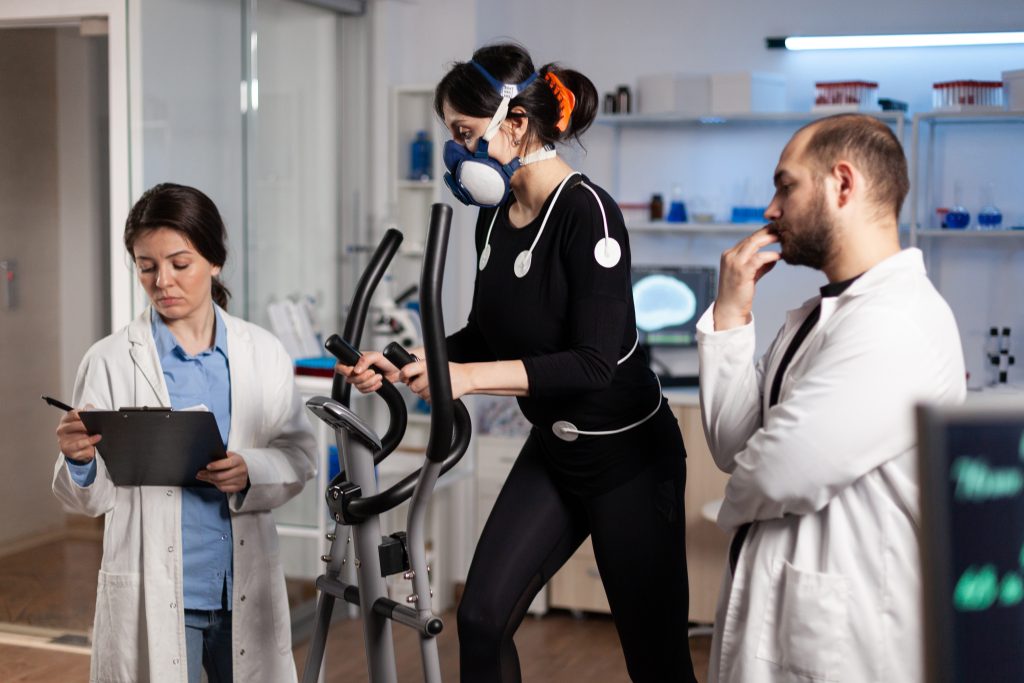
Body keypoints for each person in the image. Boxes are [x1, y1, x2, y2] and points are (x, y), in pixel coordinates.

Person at [339, 43, 698, 682]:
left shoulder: (588, 213)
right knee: (479, 620)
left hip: (629, 462)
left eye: (464, 134)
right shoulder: (496, 216)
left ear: (516, 124)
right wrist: (411, 360)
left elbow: (593, 364)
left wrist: (466, 378)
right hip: (557, 455)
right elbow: (485, 333)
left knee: (656, 660)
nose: (456, 151)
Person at [697, 114, 966, 682]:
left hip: (847, 643)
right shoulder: (817, 318)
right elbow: (733, 446)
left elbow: (775, 474)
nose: (771, 209)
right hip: (781, 619)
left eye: (785, 185)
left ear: (843, 184)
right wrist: (730, 312)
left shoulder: (898, 320)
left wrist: (741, 490)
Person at [51, 183, 317, 683]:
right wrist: (80, 460)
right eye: (146, 266)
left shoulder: (261, 352)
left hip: (242, 581)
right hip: (157, 584)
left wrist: (249, 469)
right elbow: (88, 501)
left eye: (180, 263)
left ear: (214, 261)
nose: (162, 282)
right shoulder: (110, 360)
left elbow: (299, 456)